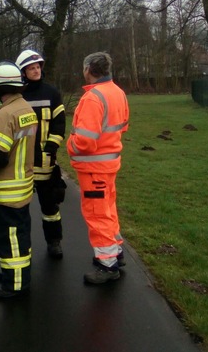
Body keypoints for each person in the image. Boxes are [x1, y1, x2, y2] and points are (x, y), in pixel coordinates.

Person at [67, 52, 129, 284]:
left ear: (88, 69)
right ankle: (116, 253)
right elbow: (123, 127)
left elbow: (84, 141)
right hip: (109, 165)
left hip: (94, 169)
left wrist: (70, 145)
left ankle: (107, 265)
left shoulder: (93, 97)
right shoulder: (118, 92)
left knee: (97, 215)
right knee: (108, 211)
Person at [0, 61, 38, 299]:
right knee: (21, 236)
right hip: (22, 187)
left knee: (9, 239)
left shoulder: (4, 115)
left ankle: (14, 286)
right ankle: (19, 277)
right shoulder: (25, 109)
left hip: (7, 190)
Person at [16, 50, 66, 259]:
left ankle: (54, 242)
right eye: (31, 68)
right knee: (20, 207)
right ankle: (22, 245)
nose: (36, 71)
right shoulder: (17, 95)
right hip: (22, 161)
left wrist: (52, 148)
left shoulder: (52, 93)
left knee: (50, 206)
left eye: (37, 67)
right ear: (23, 72)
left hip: (44, 159)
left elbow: (59, 123)